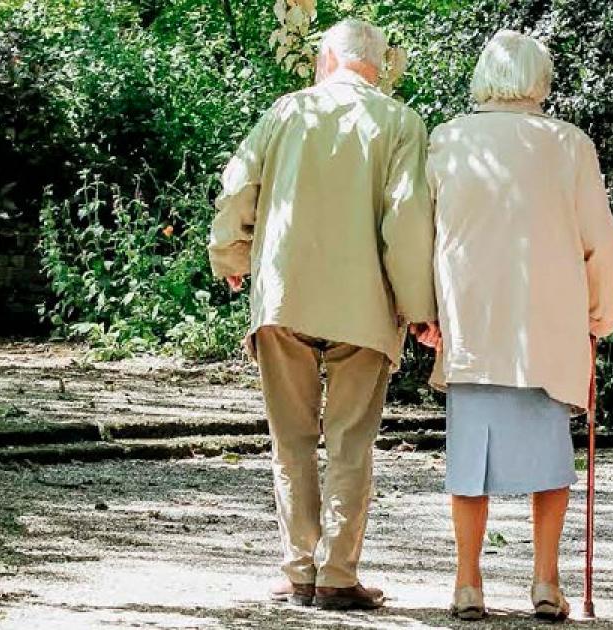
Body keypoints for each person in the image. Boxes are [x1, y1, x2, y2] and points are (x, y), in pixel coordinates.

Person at [208, 18, 438, 611]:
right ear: (380, 65)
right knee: (350, 442)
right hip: (364, 306)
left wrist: (231, 253)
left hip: (286, 297)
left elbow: (239, 187)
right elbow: (407, 221)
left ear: (325, 59)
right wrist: (419, 309)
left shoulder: (285, 112)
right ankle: (337, 575)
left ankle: (299, 569)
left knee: (291, 440)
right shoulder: (400, 122)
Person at [417, 30, 613, 621]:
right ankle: (545, 581)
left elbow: (420, 236)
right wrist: (599, 311)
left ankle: (467, 583)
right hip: (548, 327)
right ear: (542, 79)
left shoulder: (448, 140)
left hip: (474, 323)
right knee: (549, 459)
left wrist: (424, 311)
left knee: (469, 462)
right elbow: (603, 246)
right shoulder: (568, 145)